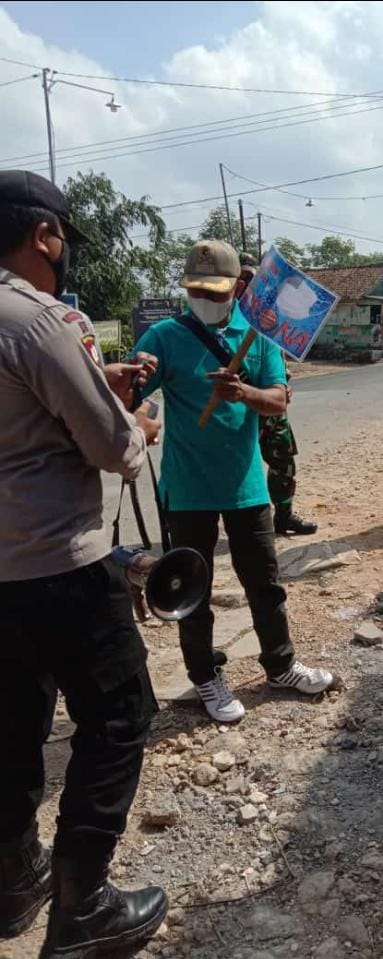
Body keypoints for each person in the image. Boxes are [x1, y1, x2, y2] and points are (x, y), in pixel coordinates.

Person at [0, 171, 167, 958]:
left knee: (9, 727)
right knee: (120, 715)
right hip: (58, 567)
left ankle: (12, 879)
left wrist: (93, 385)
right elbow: (109, 448)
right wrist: (132, 420)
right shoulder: (38, 323)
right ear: (43, 235)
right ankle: (84, 907)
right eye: (63, 238)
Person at [135, 240, 335, 724]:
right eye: (196, 288)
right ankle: (205, 675)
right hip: (187, 489)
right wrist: (142, 417)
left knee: (264, 583)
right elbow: (139, 394)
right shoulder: (163, 336)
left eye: (214, 289)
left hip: (247, 487)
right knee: (193, 590)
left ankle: (281, 665)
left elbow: (278, 400)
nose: (204, 296)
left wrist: (243, 392)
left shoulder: (261, 335)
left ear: (237, 289)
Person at [238, 256, 317, 536]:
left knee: (283, 462)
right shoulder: (225, 320)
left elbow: (278, 359)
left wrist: (284, 384)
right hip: (238, 407)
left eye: (252, 279)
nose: (248, 285)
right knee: (238, 467)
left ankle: (284, 516)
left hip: (272, 408)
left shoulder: (268, 317)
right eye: (243, 278)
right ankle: (242, 525)